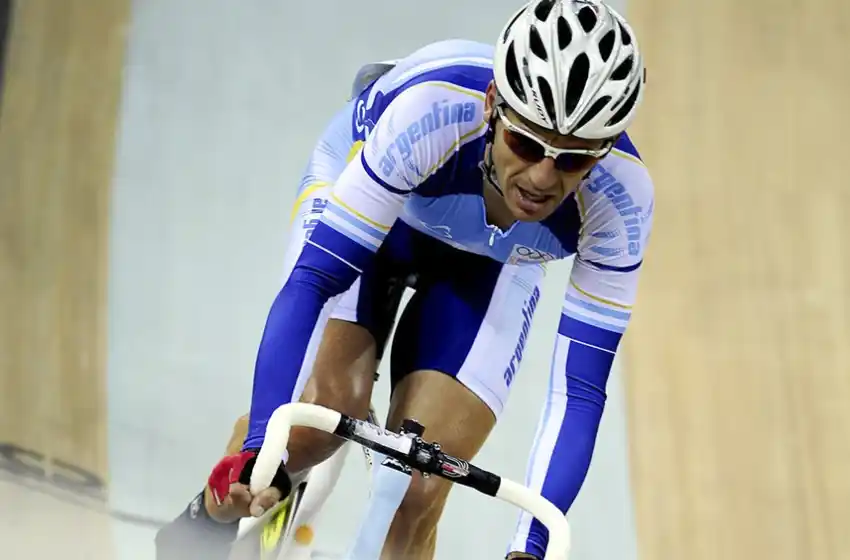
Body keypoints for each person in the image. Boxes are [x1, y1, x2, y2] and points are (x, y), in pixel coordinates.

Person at [163, 1, 652, 558]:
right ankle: (203, 524)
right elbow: (312, 283)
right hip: (381, 217)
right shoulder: (432, 109)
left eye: (572, 160)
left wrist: (531, 545)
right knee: (314, 423)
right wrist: (260, 448)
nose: (543, 177)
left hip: (492, 262)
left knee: (419, 489)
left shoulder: (623, 200)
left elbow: (579, 389)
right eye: (526, 144)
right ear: (493, 106)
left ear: (603, 152)